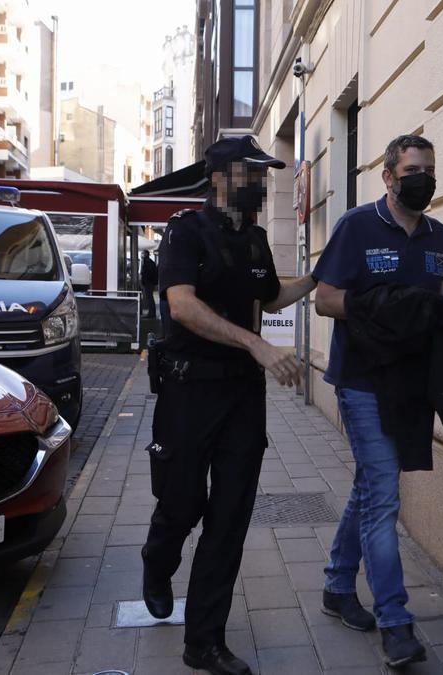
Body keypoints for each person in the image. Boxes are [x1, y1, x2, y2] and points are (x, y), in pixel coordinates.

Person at [140, 135, 315, 675]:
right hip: (190, 392)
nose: (260, 183)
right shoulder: (184, 232)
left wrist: (319, 277)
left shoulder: (257, 241)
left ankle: (204, 642)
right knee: (183, 504)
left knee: (231, 517)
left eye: (262, 175)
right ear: (219, 178)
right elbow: (182, 306)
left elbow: (270, 297)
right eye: (250, 174)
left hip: (243, 397)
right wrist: (258, 344)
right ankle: (157, 560)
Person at [312, 134, 443, 668]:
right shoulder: (356, 226)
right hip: (362, 380)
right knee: (383, 496)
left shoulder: (440, 237)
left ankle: (336, 584)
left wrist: (432, 326)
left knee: (370, 485)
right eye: (412, 168)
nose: (422, 177)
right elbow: (326, 299)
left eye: (429, 167)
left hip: (412, 385)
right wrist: (388, 310)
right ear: (389, 176)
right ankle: (396, 621)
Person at [140, 250, 158, 318]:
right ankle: (151, 312)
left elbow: (147, 273)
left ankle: (151, 313)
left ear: (146, 254)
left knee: (149, 298)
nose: (142, 255)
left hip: (149, 283)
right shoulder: (149, 262)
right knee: (149, 298)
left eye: (143, 254)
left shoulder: (148, 262)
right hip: (149, 283)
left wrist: (145, 281)